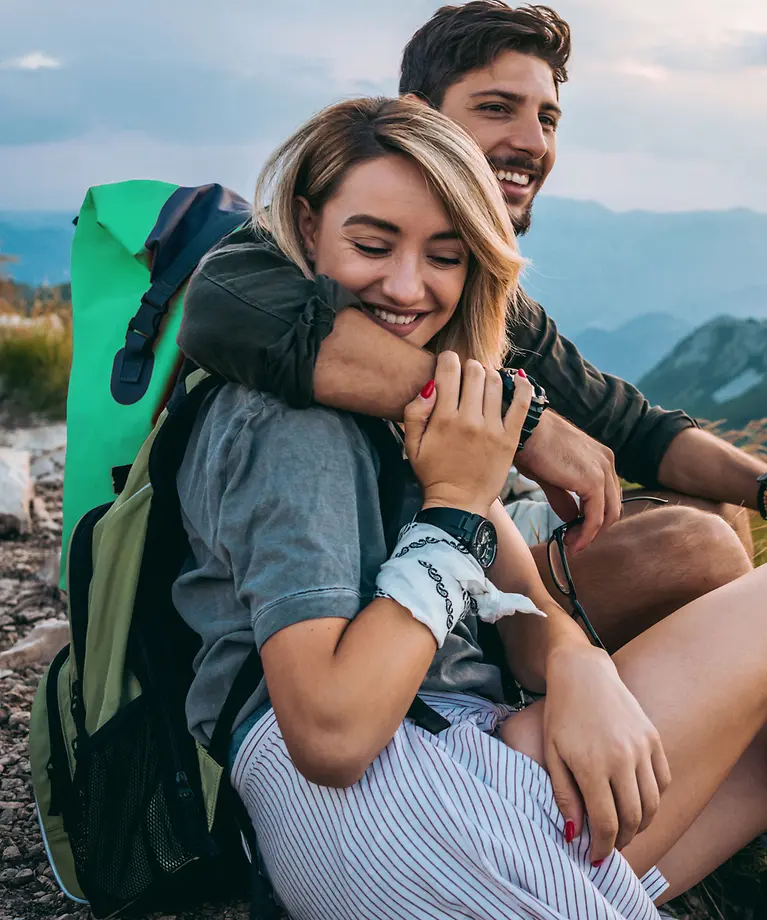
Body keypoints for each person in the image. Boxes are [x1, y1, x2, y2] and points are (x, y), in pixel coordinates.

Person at [174, 96, 767, 920]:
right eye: (372, 245)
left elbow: (526, 613)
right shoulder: (292, 427)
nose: (408, 286)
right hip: (400, 805)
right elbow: (333, 737)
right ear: (307, 228)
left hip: (468, 756)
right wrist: (453, 505)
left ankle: (603, 890)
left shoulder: (413, 408)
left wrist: (576, 664)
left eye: (445, 258)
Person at [177, 2, 765, 653]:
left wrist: (762, 486)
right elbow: (224, 310)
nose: (534, 141)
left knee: (715, 512)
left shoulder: (483, 299)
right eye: (496, 108)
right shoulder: (286, 253)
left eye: (546, 118)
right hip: (356, 583)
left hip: (455, 528)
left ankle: (614, 712)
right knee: (692, 548)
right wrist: (522, 421)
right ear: (418, 116)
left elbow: (630, 428)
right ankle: (575, 712)